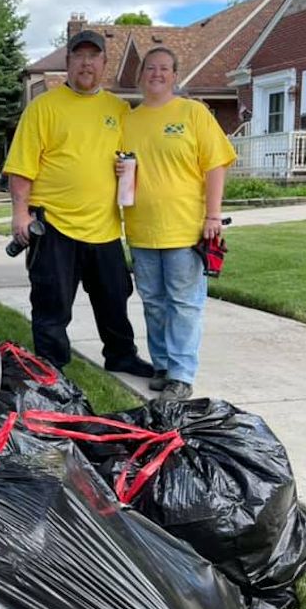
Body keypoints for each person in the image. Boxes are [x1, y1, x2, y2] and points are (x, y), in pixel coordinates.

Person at [3, 30, 153, 377]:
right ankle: (51, 369)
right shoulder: (43, 108)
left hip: (104, 227)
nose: (87, 63)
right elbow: (21, 166)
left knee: (115, 299)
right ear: (68, 62)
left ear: (104, 63)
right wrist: (19, 214)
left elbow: (132, 159)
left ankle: (121, 356)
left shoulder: (118, 109)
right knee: (52, 304)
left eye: (93, 57)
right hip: (54, 225)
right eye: (79, 56)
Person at [118, 47, 236, 400]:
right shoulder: (128, 120)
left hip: (185, 228)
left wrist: (213, 215)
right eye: (150, 68)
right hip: (141, 229)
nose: (157, 73)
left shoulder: (193, 113)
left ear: (175, 75)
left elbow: (216, 164)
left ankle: (181, 374)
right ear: (140, 75)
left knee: (184, 303)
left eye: (165, 68)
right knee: (154, 302)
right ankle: (164, 366)